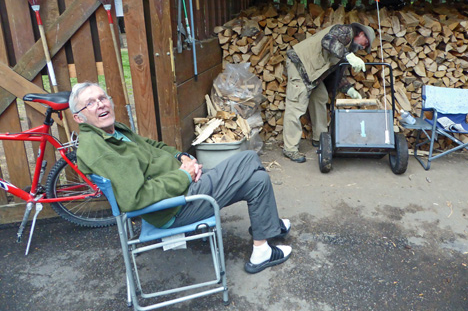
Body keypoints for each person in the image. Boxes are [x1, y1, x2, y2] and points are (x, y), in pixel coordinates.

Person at [69, 82, 292, 274]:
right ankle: (268, 225)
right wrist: (184, 175)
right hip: (174, 206)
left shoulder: (114, 131)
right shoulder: (100, 150)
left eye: (102, 98)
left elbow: (152, 146)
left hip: (180, 188)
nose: (100, 104)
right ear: (78, 117)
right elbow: (135, 198)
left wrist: (181, 156)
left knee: (258, 181)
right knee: (248, 158)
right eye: (90, 103)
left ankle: (262, 246)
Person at [282, 23, 376, 163]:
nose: (363, 47)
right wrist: (349, 56)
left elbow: (335, 76)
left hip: (313, 73)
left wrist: (349, 89)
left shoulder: (347, 51)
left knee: (320, 97)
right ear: (361, 34)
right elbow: (327, 41)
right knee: (296, 106)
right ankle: (290, 149)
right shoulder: (345, 31)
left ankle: (319, 138)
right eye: (365, 43)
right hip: (300, 64)